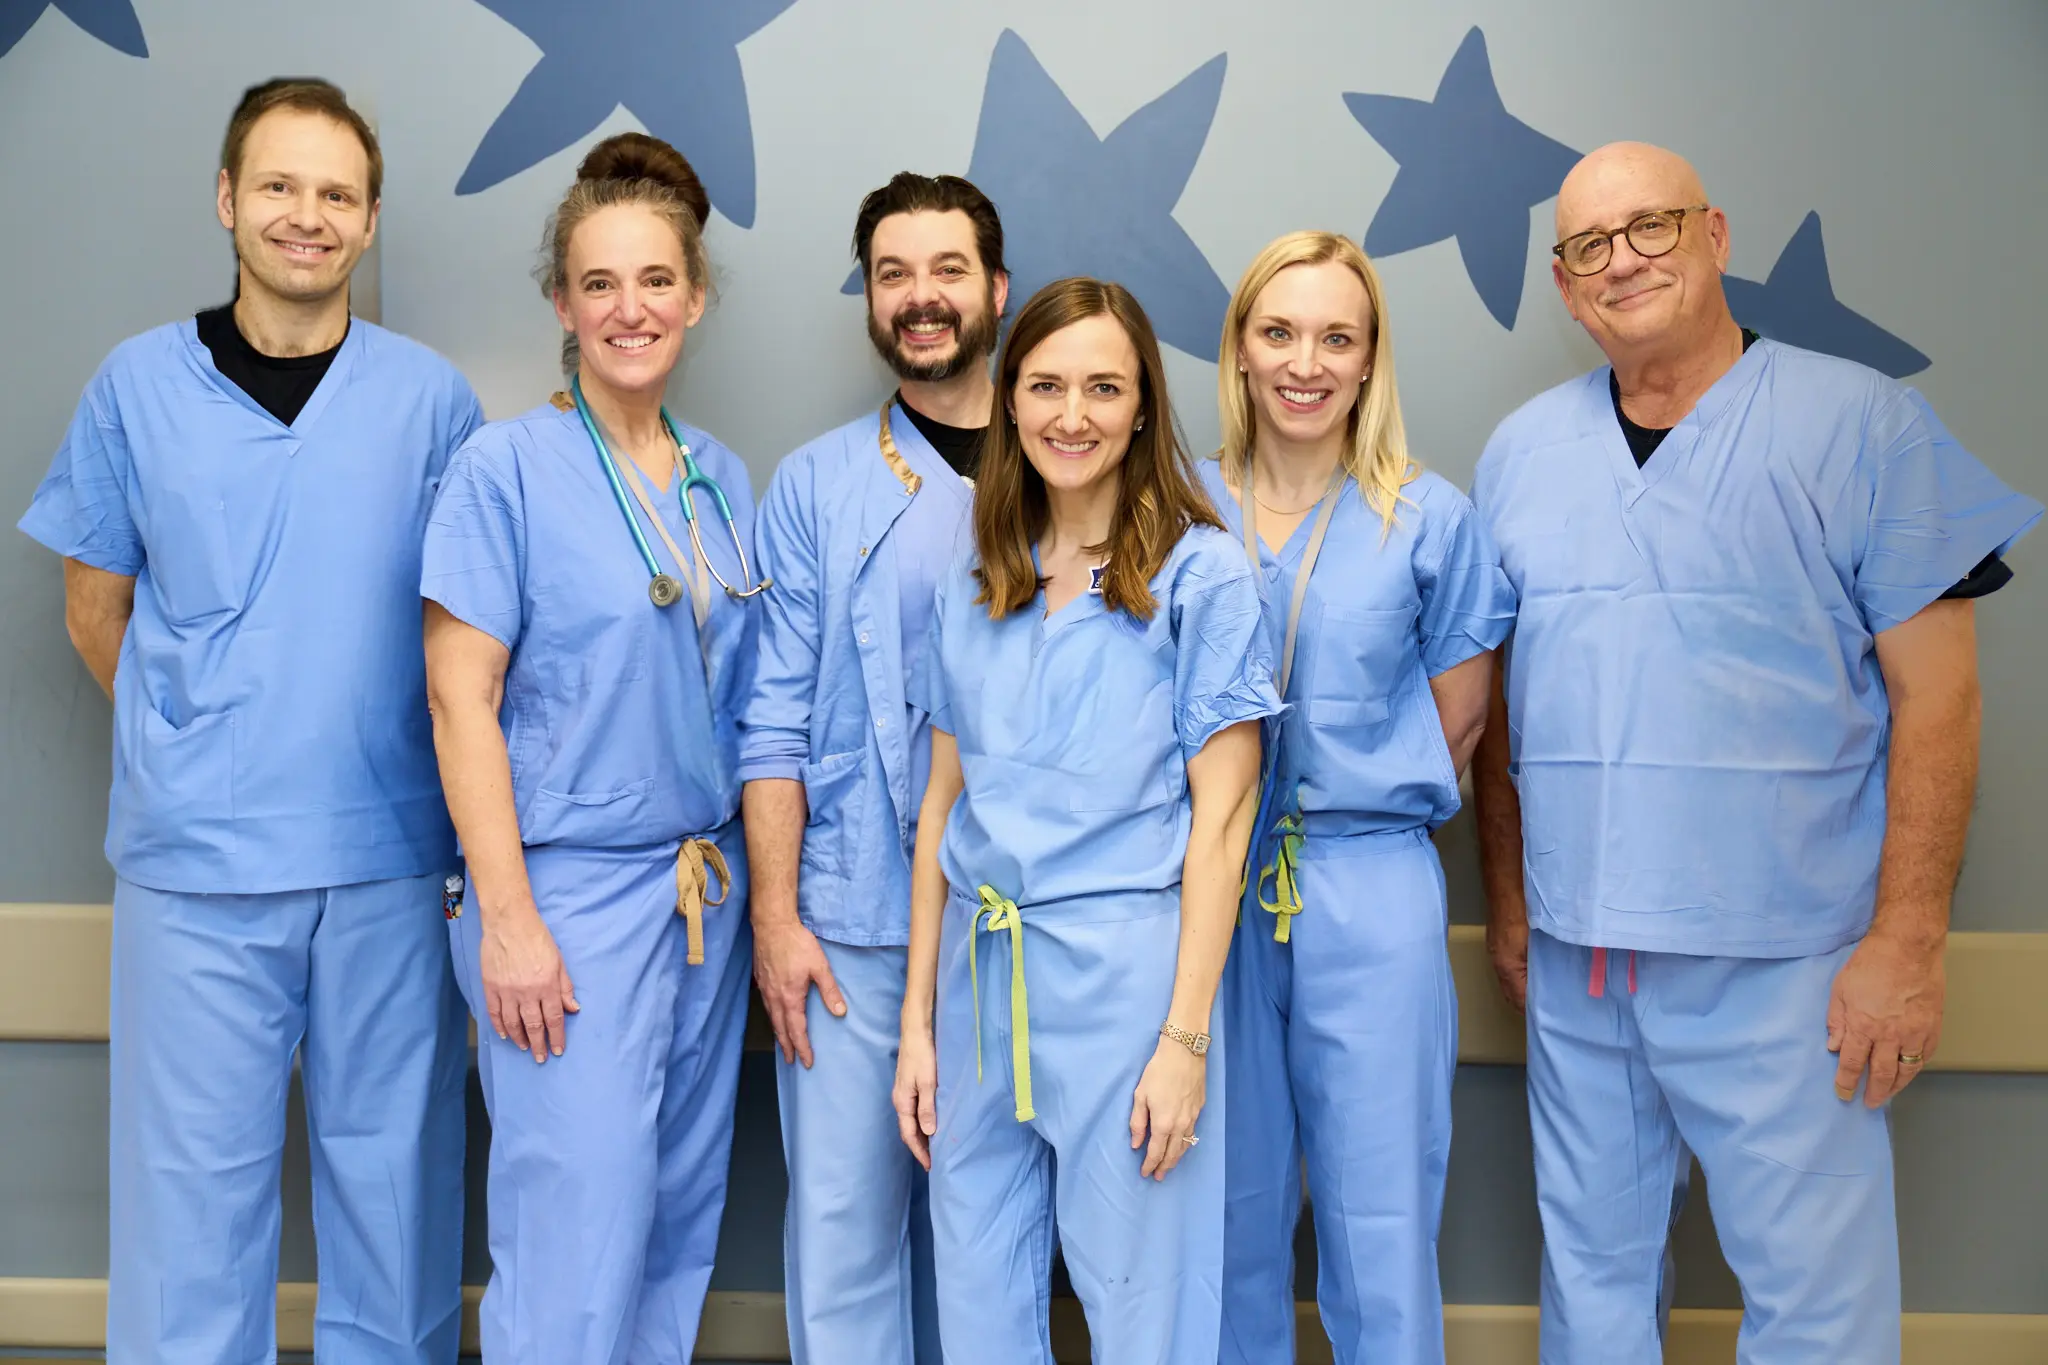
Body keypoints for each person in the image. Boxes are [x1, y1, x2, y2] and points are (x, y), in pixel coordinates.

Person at [1470, 142, 2042, 1364]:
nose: (1620, 261)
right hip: (1582, 961)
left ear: (1714, 235)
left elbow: (1939, 703)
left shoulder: (1861, 423)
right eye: (1586, 248)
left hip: (1785, 961)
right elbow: (1508, 707)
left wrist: (1906, 941)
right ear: (1566, 290)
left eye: (1649, 228)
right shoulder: (1521, 454)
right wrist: (1512, 900)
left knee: (1815, 1307)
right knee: (1591, 1282)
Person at [17, 77, 477, 1365]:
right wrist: (201, 738)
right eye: (279, 185)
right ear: (227, 200)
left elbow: (469, 645)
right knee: (187, 1224)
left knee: (395, 1212)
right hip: (197, 872)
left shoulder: (430, 405)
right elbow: (93, 610)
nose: (306, 216)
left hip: (388, 861)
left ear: (371, 219)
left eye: (336, 194)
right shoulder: (134, 389)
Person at [891, 277, 1280, 1364]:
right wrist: (917, 1026)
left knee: (1144, 1314)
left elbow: (1222, 825)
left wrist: (1184, 1041)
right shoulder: (977, 582)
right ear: (1007, 400)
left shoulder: (1201, 579)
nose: (1073, 414)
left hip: (1126, 990)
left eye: (1103, 388)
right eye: (1048, 385)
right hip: (981, 989)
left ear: (1144, 406)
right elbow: (940, 812)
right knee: (976, 1307)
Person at [420, 132, 763, 1364]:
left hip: (698, 891)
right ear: (561, 302)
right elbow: (460, 705)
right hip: (561, 894)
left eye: (657, 281)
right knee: (575, 1230)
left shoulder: (718, 480)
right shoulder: (502, 472)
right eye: (601, 284)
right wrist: (508, 920)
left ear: (696, 296)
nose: (632, 309)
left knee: (673, 1218)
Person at [1199, 231, 1514, 1365]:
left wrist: (1337, 797)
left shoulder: (1427, 520)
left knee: (1377, 1224)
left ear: (1371, 357)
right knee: (1220, 1218)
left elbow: (1458, 724)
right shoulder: (1178, 508)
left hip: (1363, 884)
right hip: (1208, 898)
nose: (1305, 362)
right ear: (1238, 348)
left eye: (1337, 336)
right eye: (1278, 332)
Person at [741, 171, 1006, 1365]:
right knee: (844, 1245)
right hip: (850, 923)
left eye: (946, 269)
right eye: (893, 272)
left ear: (995, 288)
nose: (920, 297)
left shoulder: (1072, 456)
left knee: (989, 1247)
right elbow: (772, 721)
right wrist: (778, 918)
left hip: (1014, 925)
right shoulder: (815, 486)